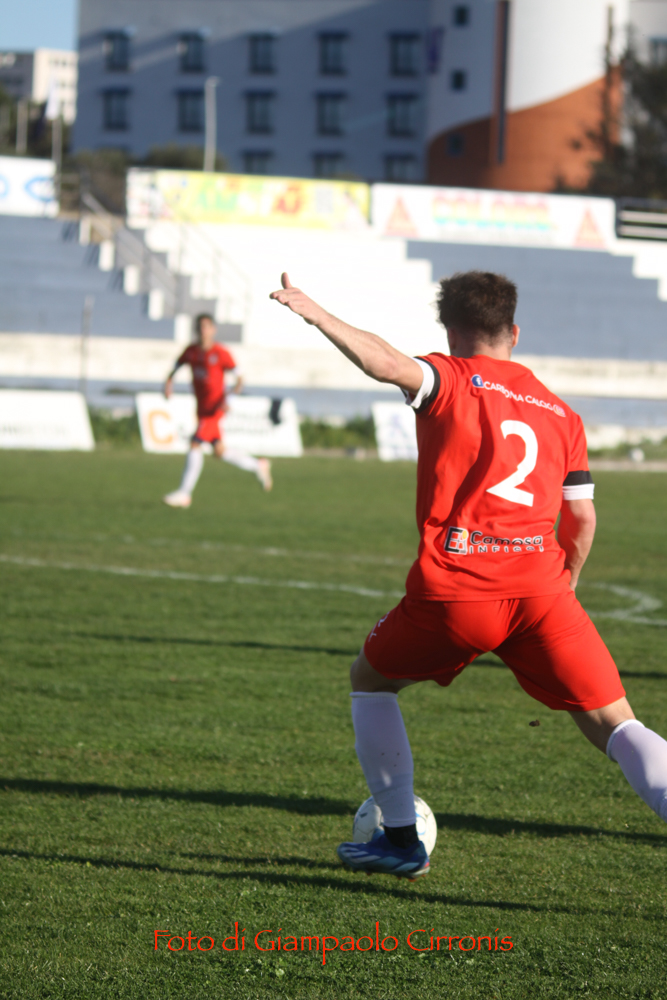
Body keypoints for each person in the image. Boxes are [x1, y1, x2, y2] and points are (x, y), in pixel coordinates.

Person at [270, 269, 667, 880]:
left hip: (459, 591)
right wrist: (565, 581)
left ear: (450, 331)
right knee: (616, 722)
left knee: (370, 680)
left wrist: (318, 315)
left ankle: (400, 840)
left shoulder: (451, 378)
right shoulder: (561, 413)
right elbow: (582, 519)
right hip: (543, 595)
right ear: (514, 332)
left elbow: (385, 364)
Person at [162, 313, 272, 507]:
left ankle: (184, 493)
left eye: (206, 326)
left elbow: (240, 379)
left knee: (195, 444)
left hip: (215, 409)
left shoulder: (221, 353)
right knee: (220, 451)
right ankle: (258, 465)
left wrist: (229, 398)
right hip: (202, 409)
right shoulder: (191, 351)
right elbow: (176, 366)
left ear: (213, 329)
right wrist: (168, 383)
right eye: (200, 327)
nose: (203, 330)